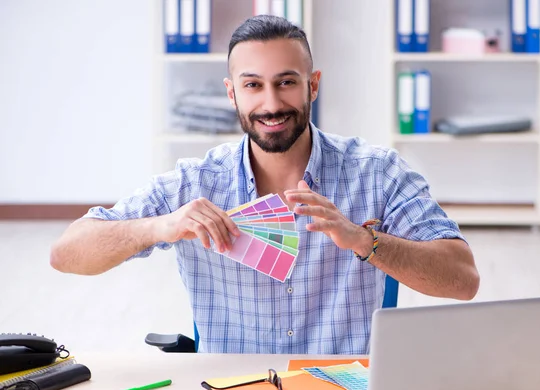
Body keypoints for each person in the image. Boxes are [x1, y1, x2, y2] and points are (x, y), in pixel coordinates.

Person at [50, 15, 479, 355]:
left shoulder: (377, 173)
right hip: (232, 389)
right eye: (253, 85)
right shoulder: (193, 183)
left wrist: (363, 240)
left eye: (287, 82)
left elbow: (463, 281)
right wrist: (160, 226)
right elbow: (67, 253)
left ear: (313, 85)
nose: (271, 104)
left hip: (345, 388)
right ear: (232, 93)